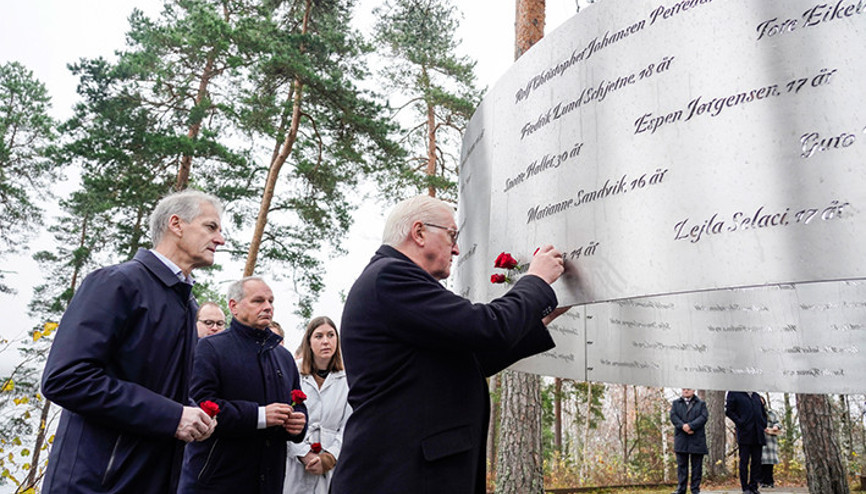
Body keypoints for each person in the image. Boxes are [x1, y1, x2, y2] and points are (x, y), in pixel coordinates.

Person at [330, 195, 568, 493]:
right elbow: (487, 327)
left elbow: (473, 358)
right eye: (451, 236)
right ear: (418, 233)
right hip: (402, 476)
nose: (456, 248)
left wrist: (542, 315)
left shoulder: (393, 281)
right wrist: (535, 281)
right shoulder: (390, 276)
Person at [41, 189, 225, 493]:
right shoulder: (116, 283)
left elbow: (157, 387)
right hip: (96, 484)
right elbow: (65, 379)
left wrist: (194, 415)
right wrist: (173, 415)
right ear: (176, 225)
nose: (220, 240)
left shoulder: (188, 304)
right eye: (211, 227)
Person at [178, 277, 308, 493]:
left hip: (269, 481)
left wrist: (298, 423)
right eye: (258, 301)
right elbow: (201, 406)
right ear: (233, 306)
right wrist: (259, 416)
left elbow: (298, 402)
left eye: (270, 301)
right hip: (217, 481)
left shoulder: (284, 357)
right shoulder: (210, 348)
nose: (267, 307)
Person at [284, 316, 352, 494]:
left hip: (332, 462)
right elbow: (284, 418)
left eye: (331, 335)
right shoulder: (293, 371)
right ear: (309, 341)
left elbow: (349, 424)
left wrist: (329, 457)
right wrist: (303, 453)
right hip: (296, 460)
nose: (326, 341)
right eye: (319, 336)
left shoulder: (348, 378)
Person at [726, 391, 768, 494]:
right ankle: (745, 488)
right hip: (745, 433)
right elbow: (729, 411)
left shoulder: (756, 395)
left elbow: (763, 412)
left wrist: (763, 423)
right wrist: (740, 422)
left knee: (757, 462)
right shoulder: (734, 393)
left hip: (758, 433)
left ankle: (754, 486)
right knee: (744, 461)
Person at [670, 388, 708, 494]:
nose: (685, 391)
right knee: (682, 466)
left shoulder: (701, 404)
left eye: (688, 389)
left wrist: (691, 426)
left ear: (693, 390)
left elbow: (704, 417)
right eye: (684, 389)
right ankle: (681, 489)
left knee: (697, 466)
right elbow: (673, 417)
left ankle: (695, 489)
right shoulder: (676, 403)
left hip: (697, 438)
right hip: (681, 438)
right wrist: (683, 426)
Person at [760, 395, 781, 489]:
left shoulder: (771, 413)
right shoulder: (755, 413)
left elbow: (778, 423)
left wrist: (775, 427)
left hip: (770, 440)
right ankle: (762, 482)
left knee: (769, 463)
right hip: (759, 439)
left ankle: (770, 481)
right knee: (760, 461)